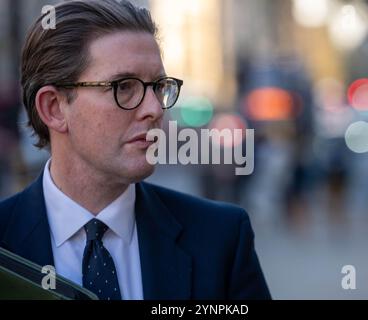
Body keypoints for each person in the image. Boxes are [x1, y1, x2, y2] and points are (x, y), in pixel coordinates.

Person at [0, 0, 271, 300]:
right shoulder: (5, 243)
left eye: (158, 86)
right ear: (54, 108)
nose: (154, 108)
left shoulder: (220, 239)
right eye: (124, 86)